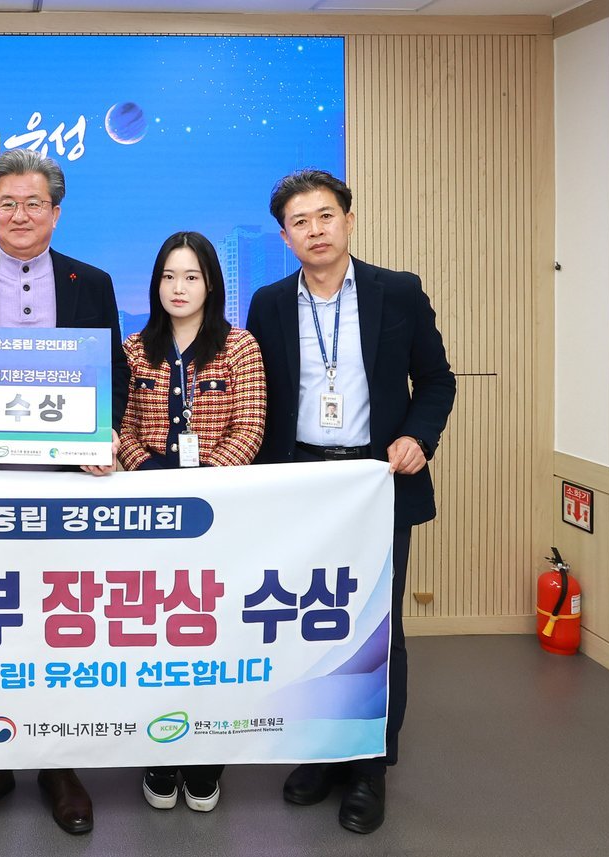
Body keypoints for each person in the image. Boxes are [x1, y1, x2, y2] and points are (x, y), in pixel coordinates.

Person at [0, 148, 131, 836]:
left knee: (61, 624)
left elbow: (114, 373)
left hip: (68, 486)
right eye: (6, 203)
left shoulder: (91, 281)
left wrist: (103, 434)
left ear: (56, 212)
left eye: (33, 202)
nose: (20, 215)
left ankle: (58, 764)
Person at [245, 170, 455, 834]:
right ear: (285, 237)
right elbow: (262, 396)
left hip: (374, 481)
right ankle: (322, 751)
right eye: (300, 222)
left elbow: (437, 381)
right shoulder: (268, 303)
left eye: (325, 216)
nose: (315, 230)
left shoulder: (399, 291)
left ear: (349, 220)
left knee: (376, 626)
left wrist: (419, 437)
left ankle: (369, 765)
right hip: (301, 484)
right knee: (309, 620)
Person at [119, 231, 265, 812]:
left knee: (212, 635)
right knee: (154, 636)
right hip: (149, 512)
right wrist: (149, 474)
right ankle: (158, 751)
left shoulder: (239, 347)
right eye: (168, 277)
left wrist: (202, 485)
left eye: (191, 277)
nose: (178, 288)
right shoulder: (134, 349)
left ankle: (206, 756)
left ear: (211, 284)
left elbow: (250, 427)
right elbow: (121, 428)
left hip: (219, 514)